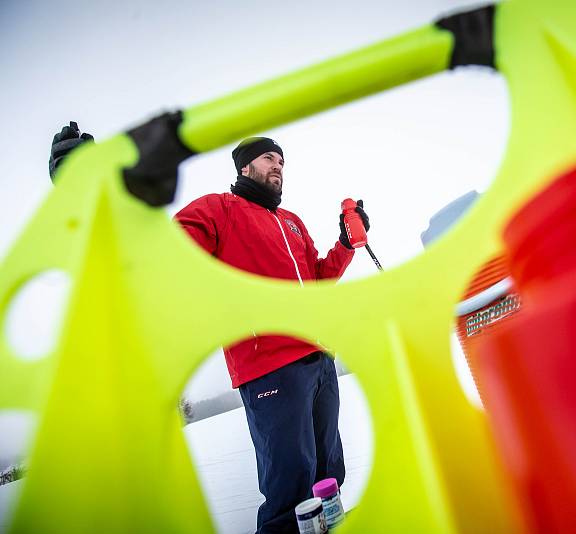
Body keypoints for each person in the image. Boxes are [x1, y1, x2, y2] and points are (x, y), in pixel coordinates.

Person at [50, 124, 370, 533]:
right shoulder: (217, 210)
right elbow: (163, 253)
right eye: (269, 158)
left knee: (328, 475)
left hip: (320, 360)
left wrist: (345, 244)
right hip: (270, 367)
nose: (278, 167)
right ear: (245, 166)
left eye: (282, 161)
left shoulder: (292, 222)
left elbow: (319, 280)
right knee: (291, 490)